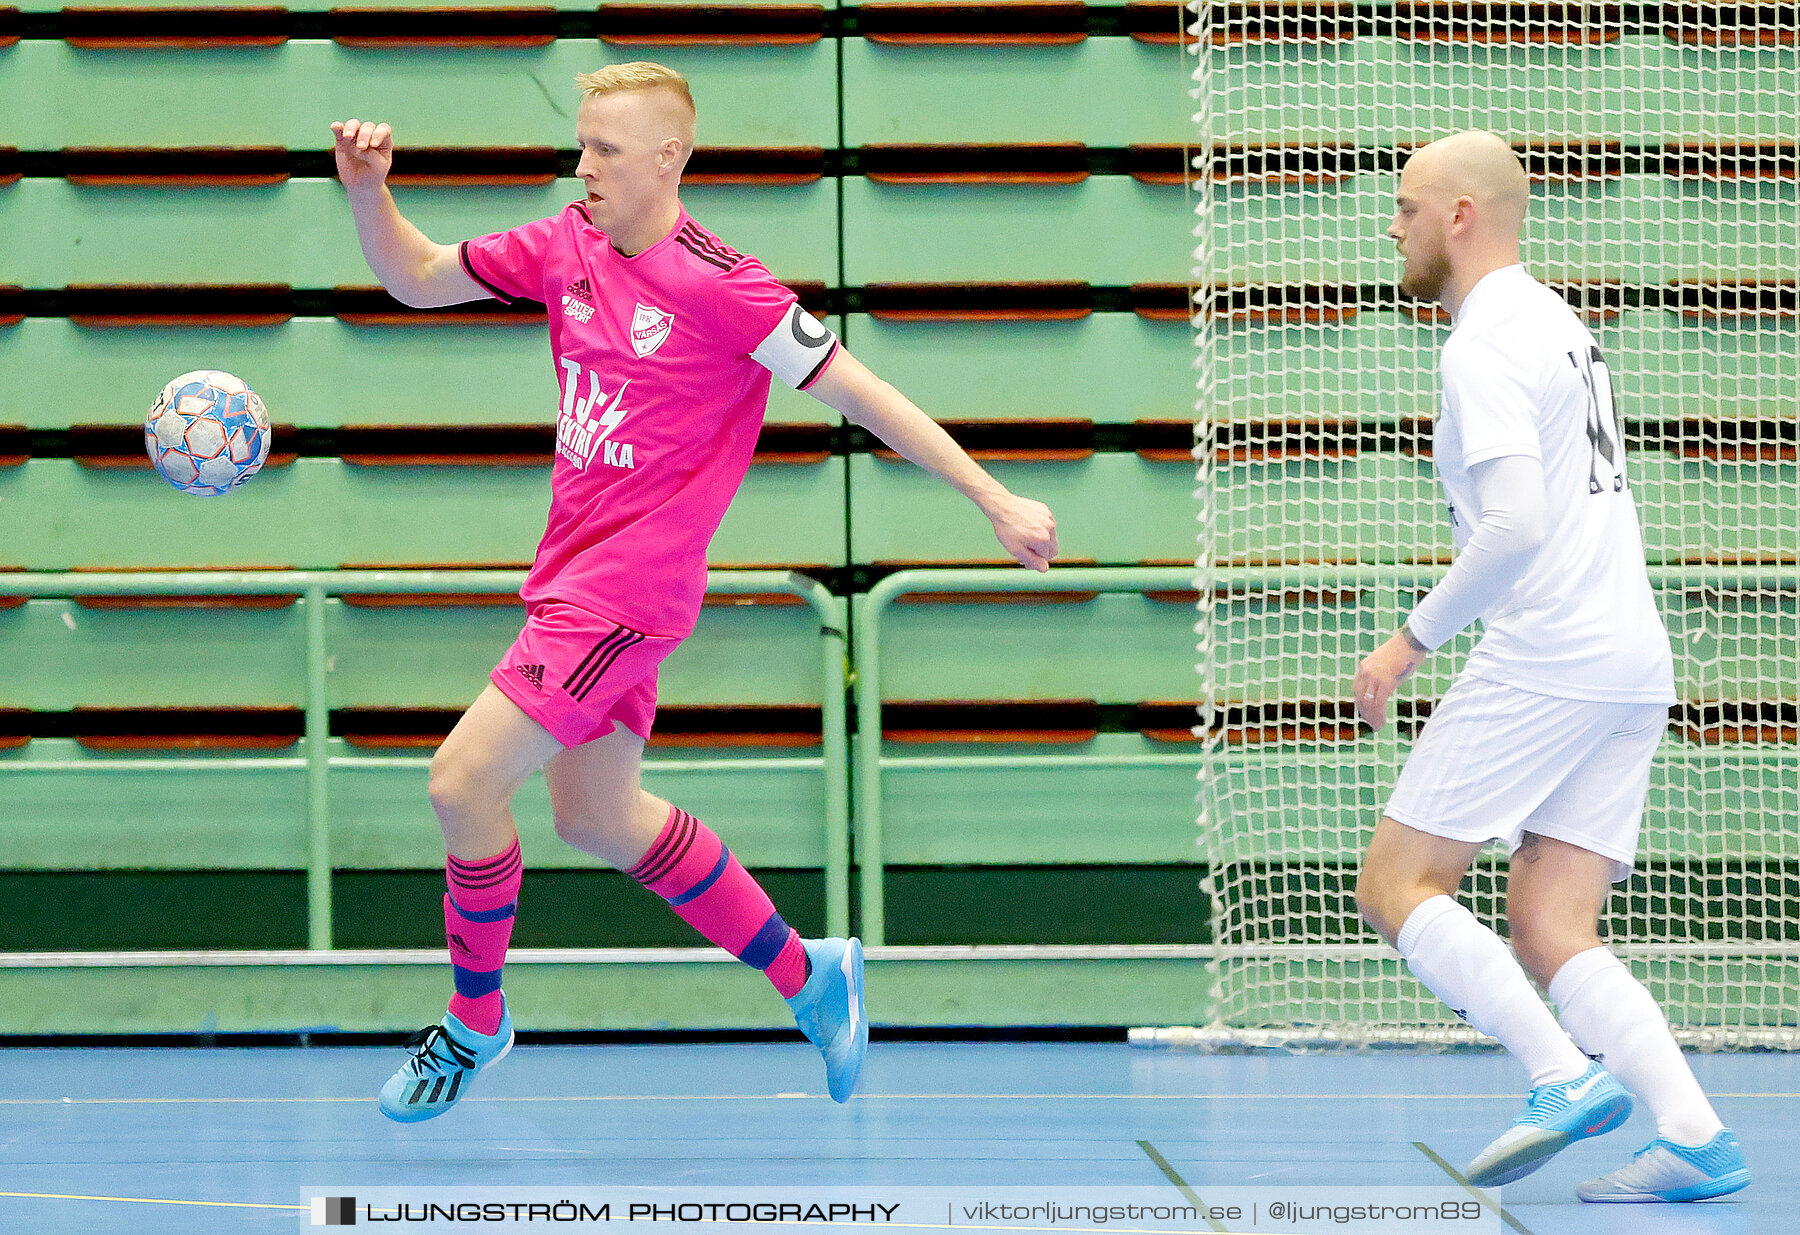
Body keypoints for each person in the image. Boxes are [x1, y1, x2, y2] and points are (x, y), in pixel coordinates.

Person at [329, 61, 1059, 1120]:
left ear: (668, 159)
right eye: (581, 144)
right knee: (597, 813)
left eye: (607, 150)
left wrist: (991, 496)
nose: (583, 166)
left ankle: (477, 1019)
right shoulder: (564, 246)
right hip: (569, 583)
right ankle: (809, 973)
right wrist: (366, 190)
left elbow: (867, 397)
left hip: (626, 595)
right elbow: (419, 273)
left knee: (459, 783)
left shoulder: (726, 285)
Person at [1352, 131, 1749, 1203]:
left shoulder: (1482, 341)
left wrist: (1407, 640)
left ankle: (1557, 1073)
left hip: (1552, 652)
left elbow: (1516, 525)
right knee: (1550, 925)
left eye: (1405, 207)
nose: (1393, 227)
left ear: (1460, 216)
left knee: (1396, 883)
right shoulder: (1559, 322)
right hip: (1629, 654)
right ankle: (1697, 1134)